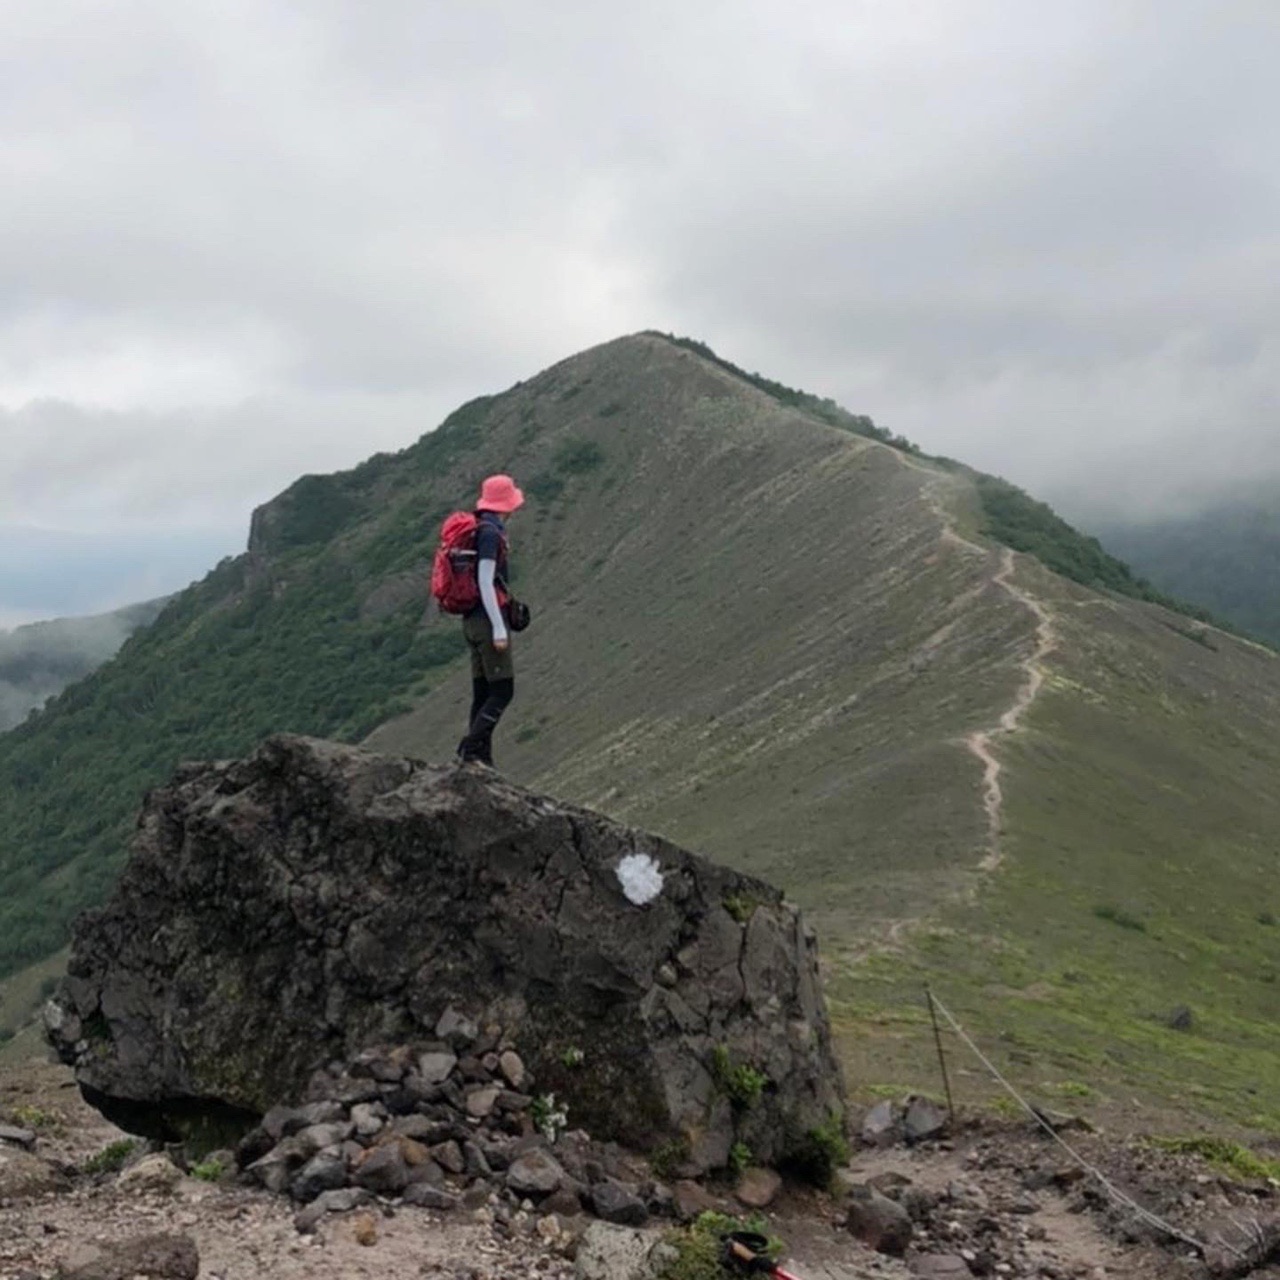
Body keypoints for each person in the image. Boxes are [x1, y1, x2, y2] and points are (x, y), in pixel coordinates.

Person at [457, 474, 525, 766]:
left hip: (471, 621)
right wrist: (498, 627)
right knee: (502, 690)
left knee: (483, 691)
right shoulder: (490, 534)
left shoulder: (477, 529)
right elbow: (485, 581)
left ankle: (480, 758)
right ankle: (471, 748)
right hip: (487, 621)